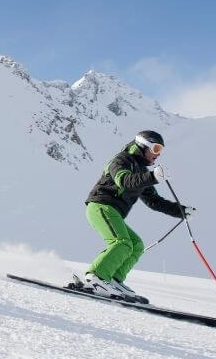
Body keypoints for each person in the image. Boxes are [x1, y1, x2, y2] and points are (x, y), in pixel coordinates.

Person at [74, 130, 196, 303]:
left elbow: (154, 201)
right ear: (143, 145)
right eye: (156, 148)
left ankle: (113, 279)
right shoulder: (121, 160)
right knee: (121, 242)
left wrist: (181, 211)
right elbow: (124, 181)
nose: (158, 154)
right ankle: (96, 277)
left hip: (113, 212)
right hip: (101, 206)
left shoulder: (140, 171)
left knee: (136, 245)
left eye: (161, 150)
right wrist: (152, 176)